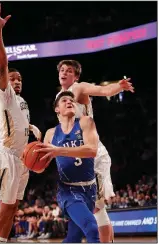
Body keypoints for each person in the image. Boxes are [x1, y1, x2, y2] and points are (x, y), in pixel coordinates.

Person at [55, 60, 134, 242]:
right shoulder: (60, 96)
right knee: (97, 209)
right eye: (62, 70)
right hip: (78, 154)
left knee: (96, 208)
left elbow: (103, 90)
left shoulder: (80, 87)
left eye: (69, 71)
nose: (64, 72)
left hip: (92, 153)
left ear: (76, 76)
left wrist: (119, 87)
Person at [0, 3, 41, 243]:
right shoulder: (5, 94)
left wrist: (31, 128)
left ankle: (2, 242)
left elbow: (19, 124)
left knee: (14, 206)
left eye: (19, 79)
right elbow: (2, 65)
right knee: (4, 206)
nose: (16, 81)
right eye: (13, 78)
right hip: (7, 156)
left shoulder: (22, 102)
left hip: (22, 159)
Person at [36, 91, 100, 243]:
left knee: (74, 238)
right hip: (68, 191)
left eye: (71, 100)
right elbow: (40, 168)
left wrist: (58, 150)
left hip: (90, 189)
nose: (69, 102)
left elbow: (92, 150)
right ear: (57, 109)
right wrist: (31, 156)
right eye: (64, 100)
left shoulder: (85, 122)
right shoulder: (51, 134)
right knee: (91, 228)